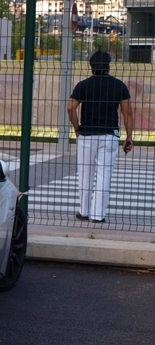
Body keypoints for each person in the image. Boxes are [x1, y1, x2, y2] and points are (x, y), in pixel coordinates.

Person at [67, 50, 134, 223]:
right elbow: (128, 113)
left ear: (91, 67)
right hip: (109, 135)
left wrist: (76, 128)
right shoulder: (119, 85)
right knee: (104, 174)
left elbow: (70, 108)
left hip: (87, 134)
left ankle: (83, 211)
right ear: (109, 66)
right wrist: (129, 137)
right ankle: (98, 215)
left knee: (85, 173)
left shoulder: (83, 85)